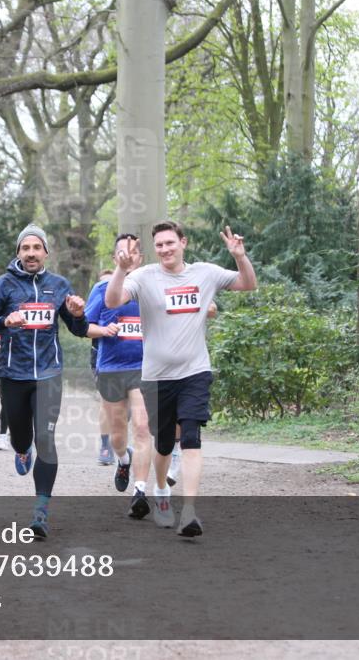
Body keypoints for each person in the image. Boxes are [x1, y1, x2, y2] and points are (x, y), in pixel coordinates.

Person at [105, 220, 257, 537]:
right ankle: (161, 491)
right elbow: (113, 301)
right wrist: (121, 269)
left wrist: (240, 257)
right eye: (159, 245)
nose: (165, 249)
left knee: (190, 437)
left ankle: (189, 511)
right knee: (162, 445)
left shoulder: (204, 273)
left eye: (170, 243)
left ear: (183, 243)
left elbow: (247, 284)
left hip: (195, 371)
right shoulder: (144, 277)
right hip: (157, 377)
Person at [0, 224, 89, 538]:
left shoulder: (59, 285)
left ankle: (40, 510)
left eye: (37, 248)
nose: (31, 253)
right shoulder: (4, 285)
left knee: (46, 439)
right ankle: (22, 450)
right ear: (19, 253)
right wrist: (4, 320)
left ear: (46, 252)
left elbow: (78, 330)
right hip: (13, 374)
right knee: (21, 438)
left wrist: (78, 314)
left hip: (49, 374)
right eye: (26, 248)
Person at [85, 236, 152, 518]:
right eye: (123, 252)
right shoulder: (101, 290)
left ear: (141, 259)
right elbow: (85, 326)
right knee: (117, 436)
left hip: (143, 368)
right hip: (111, 369)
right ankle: (123, 460)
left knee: (142, 427)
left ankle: (140, 491)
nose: (129, 256)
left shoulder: (150, 289)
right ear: (115, 259)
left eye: (134, 252)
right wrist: (104, 330)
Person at [91, 268, 115, 467]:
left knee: (125, 409)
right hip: (100, 356)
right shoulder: (97, 298)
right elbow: (86, 326)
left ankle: (118, 436)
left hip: (131, 359)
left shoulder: (128, 298)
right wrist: (104, 330)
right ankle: (106, 445)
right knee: (107, 402)